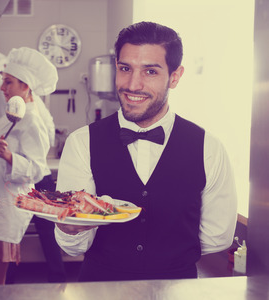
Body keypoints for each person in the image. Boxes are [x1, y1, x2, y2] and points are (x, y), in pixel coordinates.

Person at [54, 21, 238, 282]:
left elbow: (217, 236)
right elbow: (73, 247)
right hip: (98, 290)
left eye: (150, 71)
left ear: (174, 77)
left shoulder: (209, 148)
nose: (132, 84)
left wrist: (167, 259)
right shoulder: (82, 142)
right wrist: (70, 228)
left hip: (178, 292)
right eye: (125, 68)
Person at [0, 47, 58, 285]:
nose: (1, 87)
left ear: (25, 86)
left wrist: (10, 157)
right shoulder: (10, 115)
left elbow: (37, 169)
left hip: (5, 211)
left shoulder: (32, 121)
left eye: (8, 82)